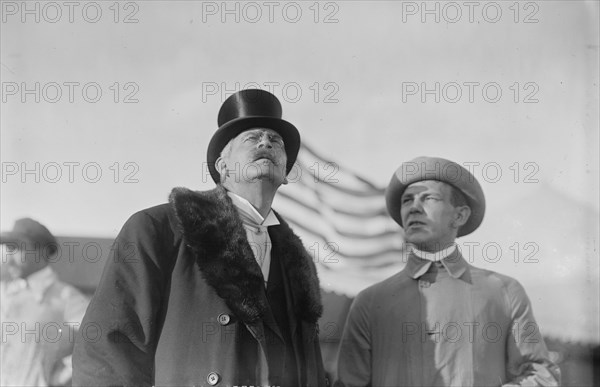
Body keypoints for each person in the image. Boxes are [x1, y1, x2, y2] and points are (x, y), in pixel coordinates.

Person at [73, 89, 326, 386]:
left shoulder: (298, 263)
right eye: (251, 138)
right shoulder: (159, 228)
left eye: (276, 141)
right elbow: (106, 349)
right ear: (222, 166)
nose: (265, 142)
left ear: (285, 173)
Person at [336, 157, 560, 387]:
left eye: (429, 198)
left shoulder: (503, 291)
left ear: (459, 215)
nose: (414, 208)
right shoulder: (371, 302)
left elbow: (541, 376)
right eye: (407, 200)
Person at [0, 218, 89, 386]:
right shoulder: (5, 292)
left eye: (15, 248)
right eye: (8, 249)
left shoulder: (67, 297)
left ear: (40, 251)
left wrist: (62, 375)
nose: (9, 257)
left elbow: (96, 344)